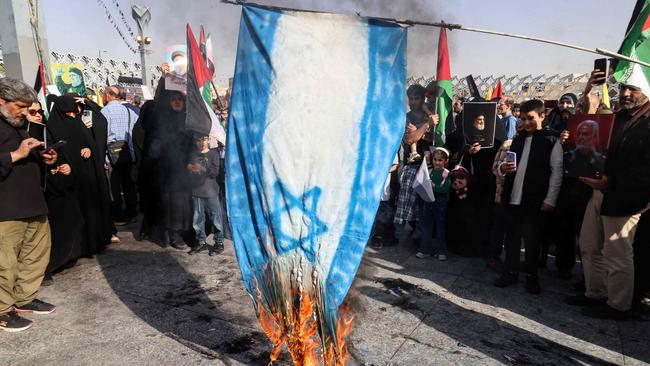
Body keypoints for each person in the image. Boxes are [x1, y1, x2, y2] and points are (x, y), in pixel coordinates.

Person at [567, 80, 650, 320]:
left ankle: (618, 305)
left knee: (617, 253)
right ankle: (595, 293)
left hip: (625, 198)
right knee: (589, 245)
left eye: (632, 89)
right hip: (599, 192)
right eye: (623, 87)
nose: (625, 93)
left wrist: (611, 181)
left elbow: (645, 171)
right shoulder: (619, 117)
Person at [0, 78, 58, 332]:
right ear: (2, 101)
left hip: (33, 202)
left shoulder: (19, 125)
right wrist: (16, 155)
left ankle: (24, 298)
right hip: (6, 207)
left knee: (35, 254)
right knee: (5, 261)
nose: (25, 111)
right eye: (20, 106)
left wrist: (46, 157)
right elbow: (15, 155)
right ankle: (2, 310)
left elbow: (27, 153)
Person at [495, 99, 563, 294]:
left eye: (531, 118)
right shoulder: (517, 139)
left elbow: (556, 172)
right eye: (523, 119)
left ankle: (532, 277)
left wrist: (550, 200)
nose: (527, 123)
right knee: (512, 240)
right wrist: (502, 168)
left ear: (542, 116)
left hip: (534, 201)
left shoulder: (552, 140)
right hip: (512, 198)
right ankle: (510, 273)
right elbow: (503, 166)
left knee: (532, 241)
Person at [48, 95, 113, 257]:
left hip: (86, 177)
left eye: (73, 112)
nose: (72, 116)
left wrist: (89, 148)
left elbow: (98, 128)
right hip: (67, 180)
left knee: (90, 212)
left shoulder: (79, 124)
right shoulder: (52, 128)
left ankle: (94, 243)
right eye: (68, 113)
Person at [554, 120, 605, 280]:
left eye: (586, 134)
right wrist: (561, 144)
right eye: (579, 134)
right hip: (567, 196)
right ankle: (563, 268)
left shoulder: (602, 160)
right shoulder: (567, 155)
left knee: (588, 239)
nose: (581, 138)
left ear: (595, 137)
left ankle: (588, 276)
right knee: (564, 233)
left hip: (588, 198)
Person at [394, 85, 438, 242]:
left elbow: (435, 139)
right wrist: (425, 127)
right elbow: (409, 139)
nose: (413, 102)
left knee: (425, 203)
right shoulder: (407, 117)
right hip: (412, 164)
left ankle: (423, 234)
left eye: (416, 98)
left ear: (423, 99)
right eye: (410, 98)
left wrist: (420, 132)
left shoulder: (431, 115)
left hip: (429, 164)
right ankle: (414, 231)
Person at [102, 85, 139, 223]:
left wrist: (104, 158)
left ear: (107, 95)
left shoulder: (105, 111)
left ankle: (118, 215)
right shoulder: (129, 111)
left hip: (112, 154)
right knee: (129, 184)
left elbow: (103, 135)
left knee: (114, 186)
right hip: (128, 153)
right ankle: (132, 212)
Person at [187, 134, 225, 255]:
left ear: (209, 140)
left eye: (204, 139)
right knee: (197, 219)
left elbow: (214, 173)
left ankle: (219, 242)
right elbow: (188, 170)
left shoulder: (214, 154)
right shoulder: (193, 154)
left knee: (216, 218)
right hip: (196, 192)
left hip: (211, 192)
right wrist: (189, 168)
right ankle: (201, 242)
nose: (201, 142)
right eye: (198, 139)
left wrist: (202, 168)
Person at [416, 147, 451, 261]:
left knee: (440, 227)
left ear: (445, 161)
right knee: (427, 226)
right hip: (429, 202)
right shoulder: (429, 172)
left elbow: (446, 189)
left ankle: (441, 251)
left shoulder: (446, 173)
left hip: (440, 203)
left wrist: (435, 186)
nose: (437, 162)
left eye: (440, 160)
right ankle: (424, 250)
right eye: (435, 159)